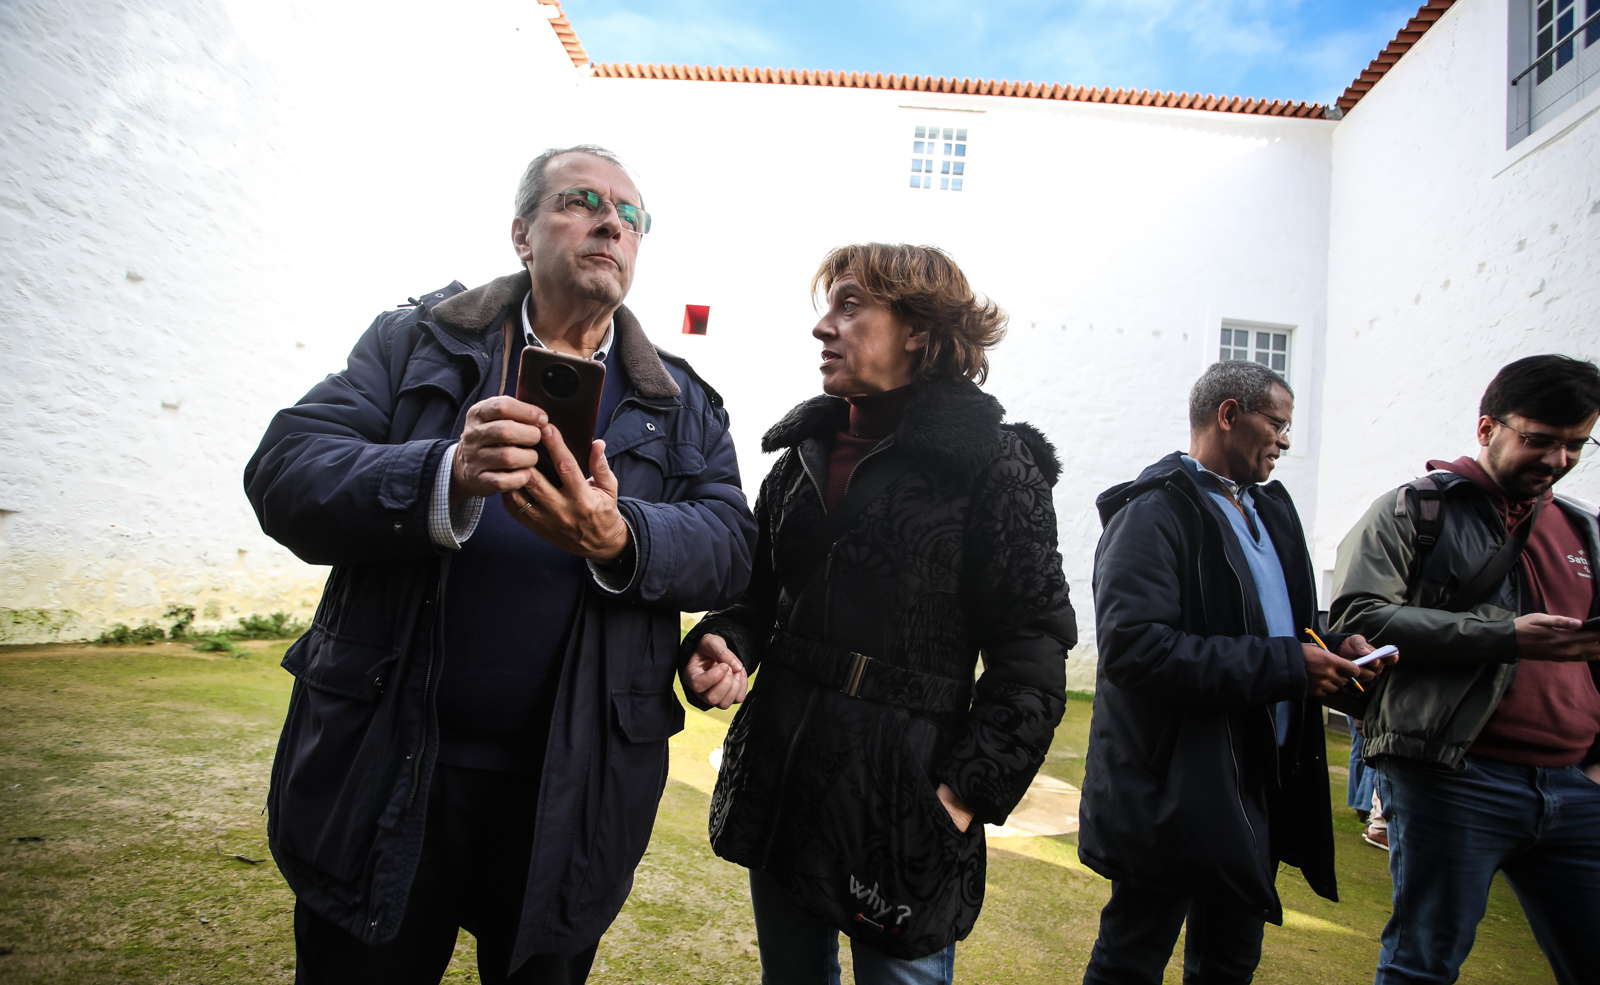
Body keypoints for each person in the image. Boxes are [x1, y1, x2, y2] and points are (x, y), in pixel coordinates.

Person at [243, 145, 756, 984]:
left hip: (573, 786)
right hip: (386, 765)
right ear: (522, 233)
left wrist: (622, 535)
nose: (610, 223)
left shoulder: (680, 399)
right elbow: (286, 469)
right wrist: (442, 472)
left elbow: (732, 542)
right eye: (582, 200)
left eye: (631, 216)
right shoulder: (417, 341)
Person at [679, 243, 1077, 985]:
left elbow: (1032, 649)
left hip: (906, 802)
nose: (823, 327)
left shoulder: (994, 464)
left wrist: (959, 797)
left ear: (920, 330)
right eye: (827, 306)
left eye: (850, 305)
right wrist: (725, 639)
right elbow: (757, 593)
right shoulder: (802, 453)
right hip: (783, 780)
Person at [1079, 359, 1392, 985]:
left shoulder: (1270, 510)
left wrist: (1330, 647)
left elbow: (1271, 627)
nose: (1284, 441)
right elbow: (1136, 650)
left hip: (1261, 776)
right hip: (1177, 782)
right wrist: (1287, 665)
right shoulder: (1155, 513)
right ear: (1227, 415)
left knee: (1229, 962)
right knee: (1132, 957)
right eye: (1276, 424)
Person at [1329, 354, 1600, 985]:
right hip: (1453, 777)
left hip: (1576, 787)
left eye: (1576, 445)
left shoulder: (1586, 530)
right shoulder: (1414, 511)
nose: (1558, 460)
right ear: (1487, 429)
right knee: (1423, 964)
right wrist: (1504, 637)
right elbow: (1361, 620)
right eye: (1539, 440)